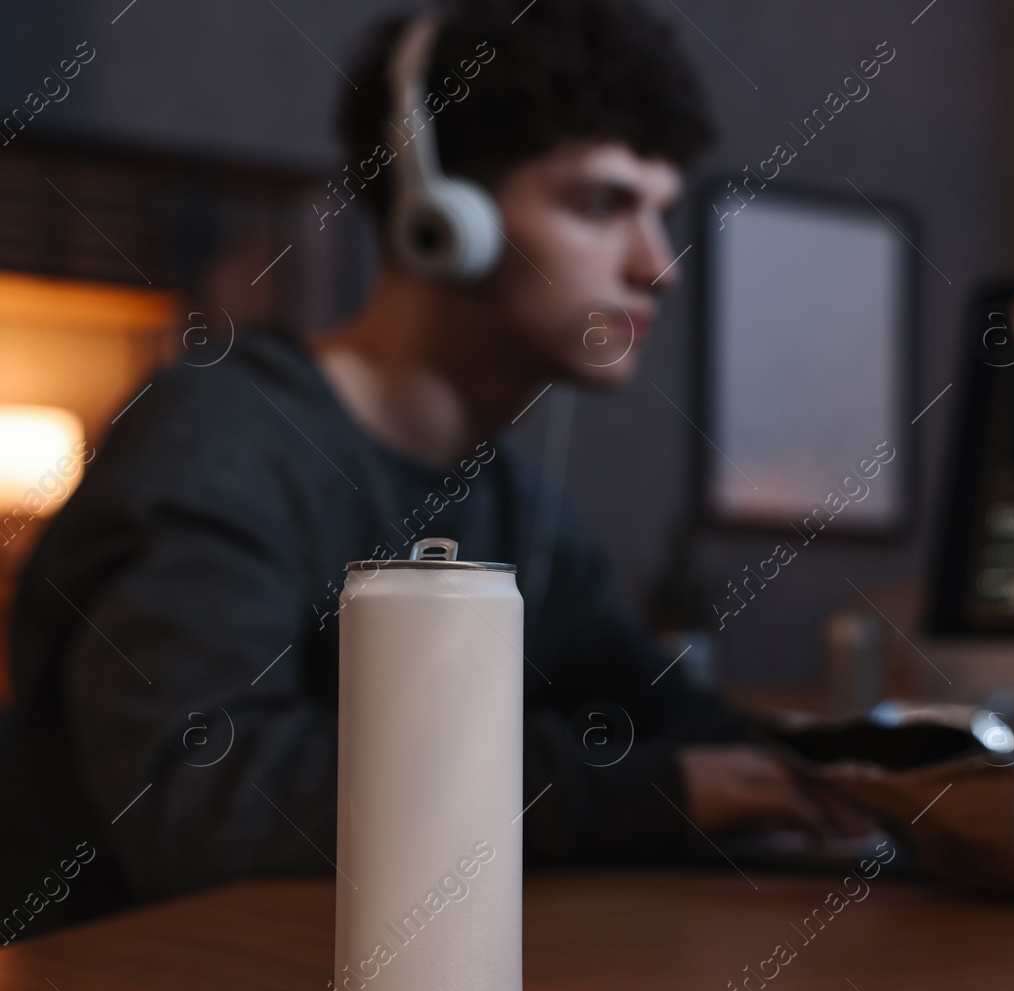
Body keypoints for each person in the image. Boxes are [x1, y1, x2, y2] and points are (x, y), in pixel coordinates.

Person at [0, 0, 833, 940]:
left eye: (662, 211)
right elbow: (207, 797)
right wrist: (640, 793)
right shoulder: (224, 440)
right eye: (603, 204)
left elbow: (659, 714)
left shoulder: (515, 499)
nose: (660, 264)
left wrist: (868, 775)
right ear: (442, 215)